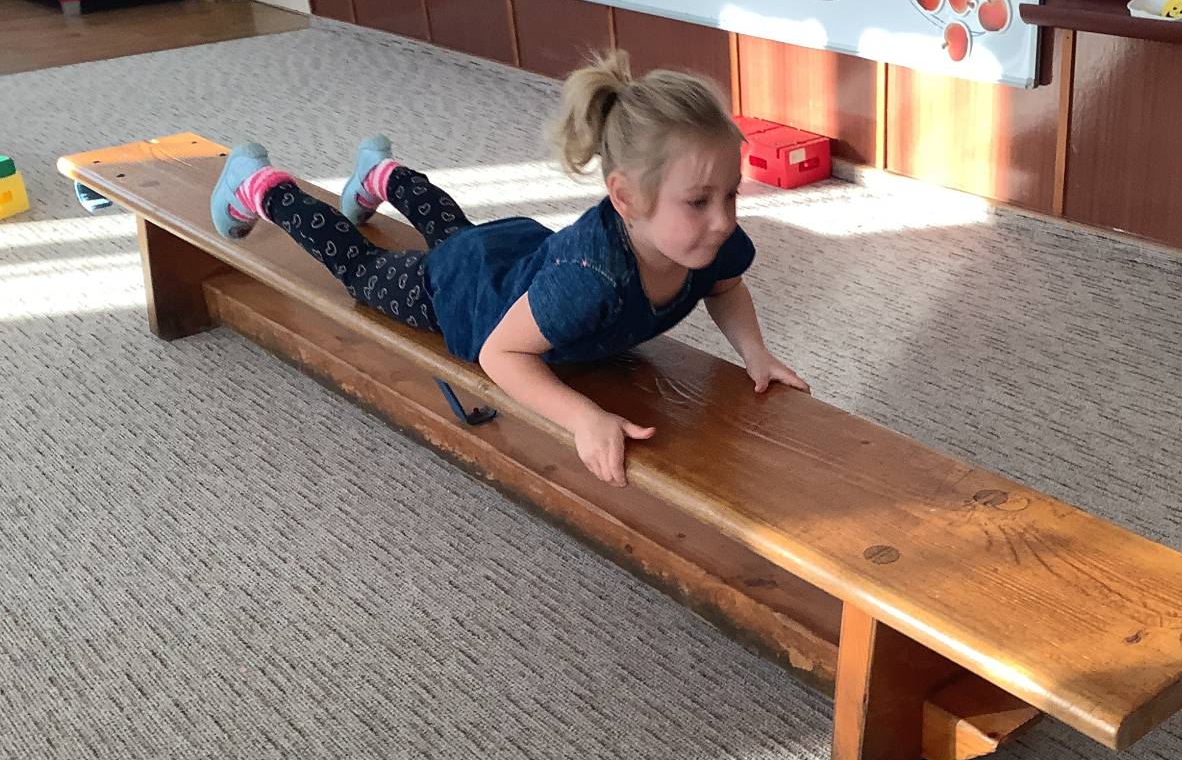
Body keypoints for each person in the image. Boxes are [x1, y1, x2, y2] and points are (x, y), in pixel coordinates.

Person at [208, 50, 809, 488]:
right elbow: (502, 354)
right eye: (699, 202)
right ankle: (262, 188)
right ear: (625, 198)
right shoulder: (589, 280)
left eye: (731, 194)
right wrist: (583, 417)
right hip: (464, 294)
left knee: (458, 235)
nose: (723, 220)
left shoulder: (710, 242)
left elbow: (726, 288)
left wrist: (756, 353)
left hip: (515, 259)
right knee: (365, 270)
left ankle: (383, 175)